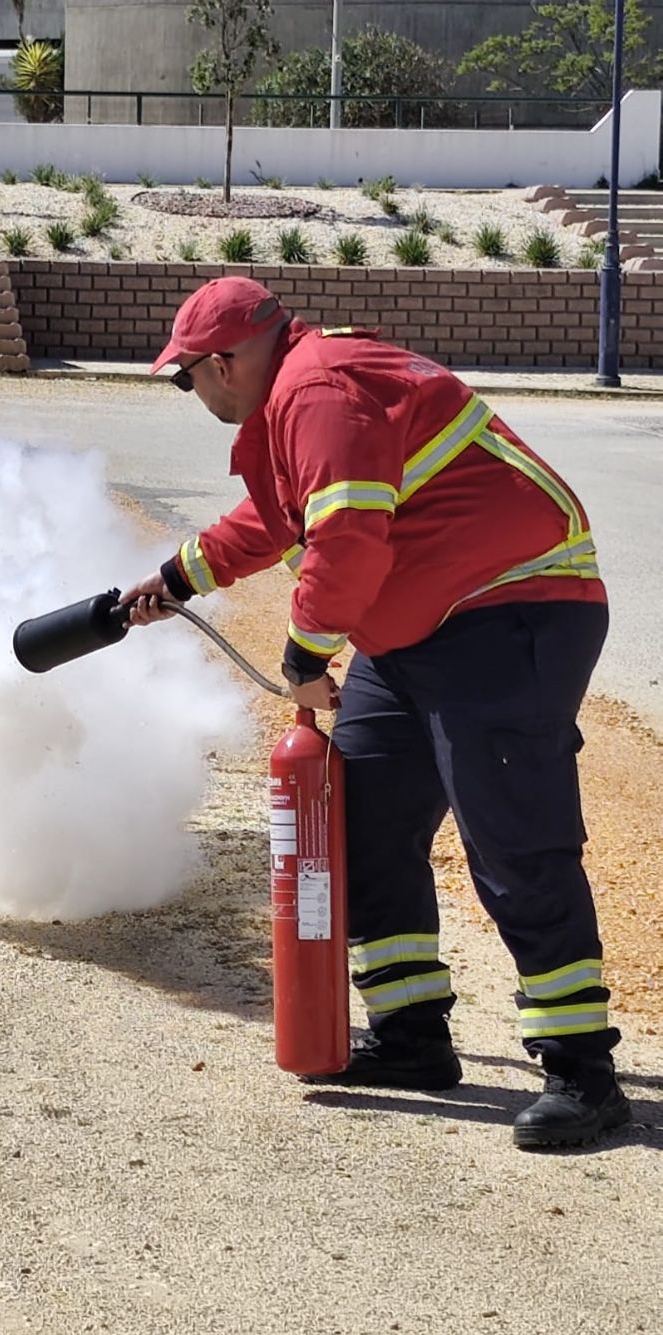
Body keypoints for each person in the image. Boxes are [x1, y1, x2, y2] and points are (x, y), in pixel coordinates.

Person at [120, 275, 629, 1150]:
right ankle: (413, 1037)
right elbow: (277, 520)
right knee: (358, 827)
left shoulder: (316, 388)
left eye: (187, 376)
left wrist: (304, 656)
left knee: (513, 841)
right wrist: (174, 580)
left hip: (511, 608)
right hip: (417, 630)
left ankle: (582, 1069)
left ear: (226, 362)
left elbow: (348, 537)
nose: (191, 392)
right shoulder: (296, 398)